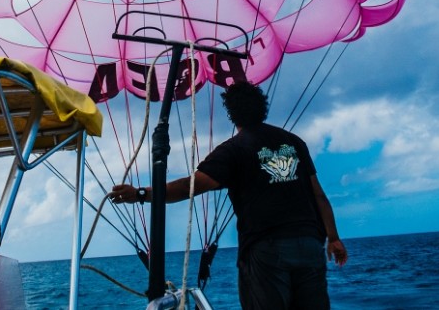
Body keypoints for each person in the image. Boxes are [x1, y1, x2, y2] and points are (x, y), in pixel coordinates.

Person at [110, 81, 347, 310]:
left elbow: (188, 187)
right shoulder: (294, 142)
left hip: (267, 249)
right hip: (309, 244)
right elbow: (319, 195)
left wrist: (141, 194)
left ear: (232, 114)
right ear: (262, 108)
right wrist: (333, 238)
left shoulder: (234, 149)